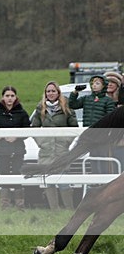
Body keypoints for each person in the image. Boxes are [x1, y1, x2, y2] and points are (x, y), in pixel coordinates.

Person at [30, 81, 78, 209]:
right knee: (49, 182)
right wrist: (42, 142)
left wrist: (65, 141)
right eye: (48, 91)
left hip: (61, 150)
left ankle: (69, 209)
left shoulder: (66, 107)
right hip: (46, 151)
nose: (50, 93)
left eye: (53, 91)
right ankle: (54, 210)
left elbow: (74, 128)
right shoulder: (40, 108)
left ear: (58, 92)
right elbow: (33, 128)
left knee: (64, 182)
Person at [0, 85, 30, 209]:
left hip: (18, 148)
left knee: (17, 173)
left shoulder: (22, 112)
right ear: (3, 97)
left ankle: (20, 205)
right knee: (3, 173)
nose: (9, 98)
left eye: (12, 96)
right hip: (2, 149)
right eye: (7, 96)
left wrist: (17, 137)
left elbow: (28, 130)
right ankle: (5, 204)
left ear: (16, 97)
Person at [70, 74, 117, 174]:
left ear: (103, 85)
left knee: (103, 158)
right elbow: (72, 105)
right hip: (89, 134)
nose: (94, 85)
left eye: (97, 83)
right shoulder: (86, 98)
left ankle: (104, 180)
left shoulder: (107, 101)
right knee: (93, 158)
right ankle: (94, 181)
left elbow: (110, 118)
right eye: (93, 83)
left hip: (102, 135)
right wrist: (75, 92)